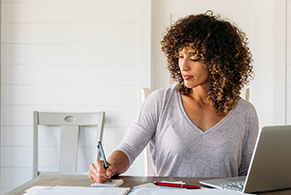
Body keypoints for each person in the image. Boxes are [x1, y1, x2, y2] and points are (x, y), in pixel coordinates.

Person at [89, 11, 258, 183]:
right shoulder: (160, 102)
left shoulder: (245, 112)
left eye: (194, 58)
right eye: (180, 56)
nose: (183, 66)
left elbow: (247, 175)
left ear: (219, 62)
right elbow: (128, 150)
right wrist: (109, 166)